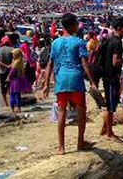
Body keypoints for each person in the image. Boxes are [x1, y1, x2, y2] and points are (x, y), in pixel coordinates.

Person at [43, 13, 97, 155]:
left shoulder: (55, 43)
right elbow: (85, 63)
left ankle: (61, 147)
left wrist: (45, 84)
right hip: (75, 79)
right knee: (81, 111)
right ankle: (80, 142)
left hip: (61, 79)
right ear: (72, 25)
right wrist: (92, 82)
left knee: (61, 113)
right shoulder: (79, 42)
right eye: (76, 24)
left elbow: (50, 64)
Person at [100, 16, 123, 140]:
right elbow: (116, 62)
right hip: (112, 76)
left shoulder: (110, 40)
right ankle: (109, 133)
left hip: (107, 75)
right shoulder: (117, 42)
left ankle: (105, 129)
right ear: (120, 29)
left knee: (110, 104)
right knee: (111, 106)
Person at [8, 48, 26, 115]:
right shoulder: (20, 61)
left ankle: (12, 109)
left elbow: (12, 72)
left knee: (12, 95)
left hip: (14, 81)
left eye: (13, 54)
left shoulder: (16, 63)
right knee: (18, 95)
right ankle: (19, 108)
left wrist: (8, 78)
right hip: (19, 79)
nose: (12, 55)